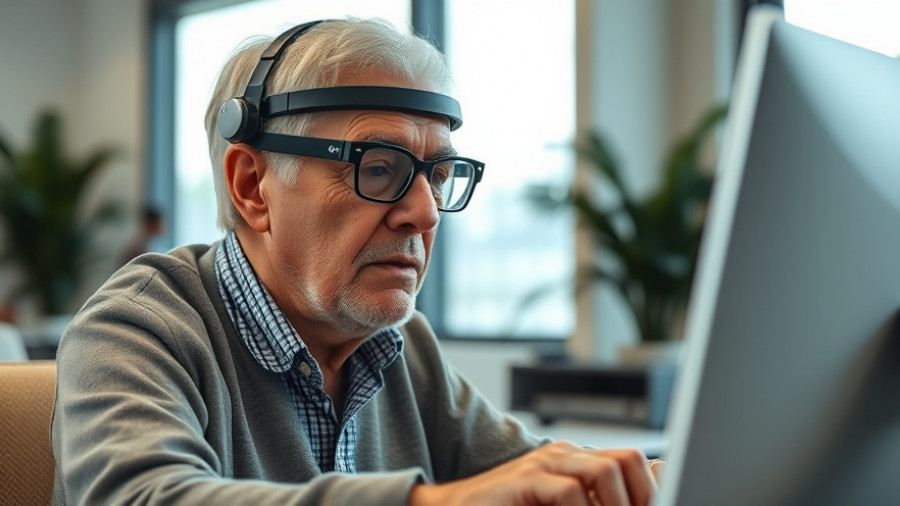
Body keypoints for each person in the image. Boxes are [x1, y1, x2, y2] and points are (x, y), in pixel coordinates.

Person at [51, 17, 661, 506]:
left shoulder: (402, 346)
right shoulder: (137, 330)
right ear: (252, 186)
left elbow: (535, 476)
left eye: (439, 176)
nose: (424, 213)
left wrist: (645, 483)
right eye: (378, 168)